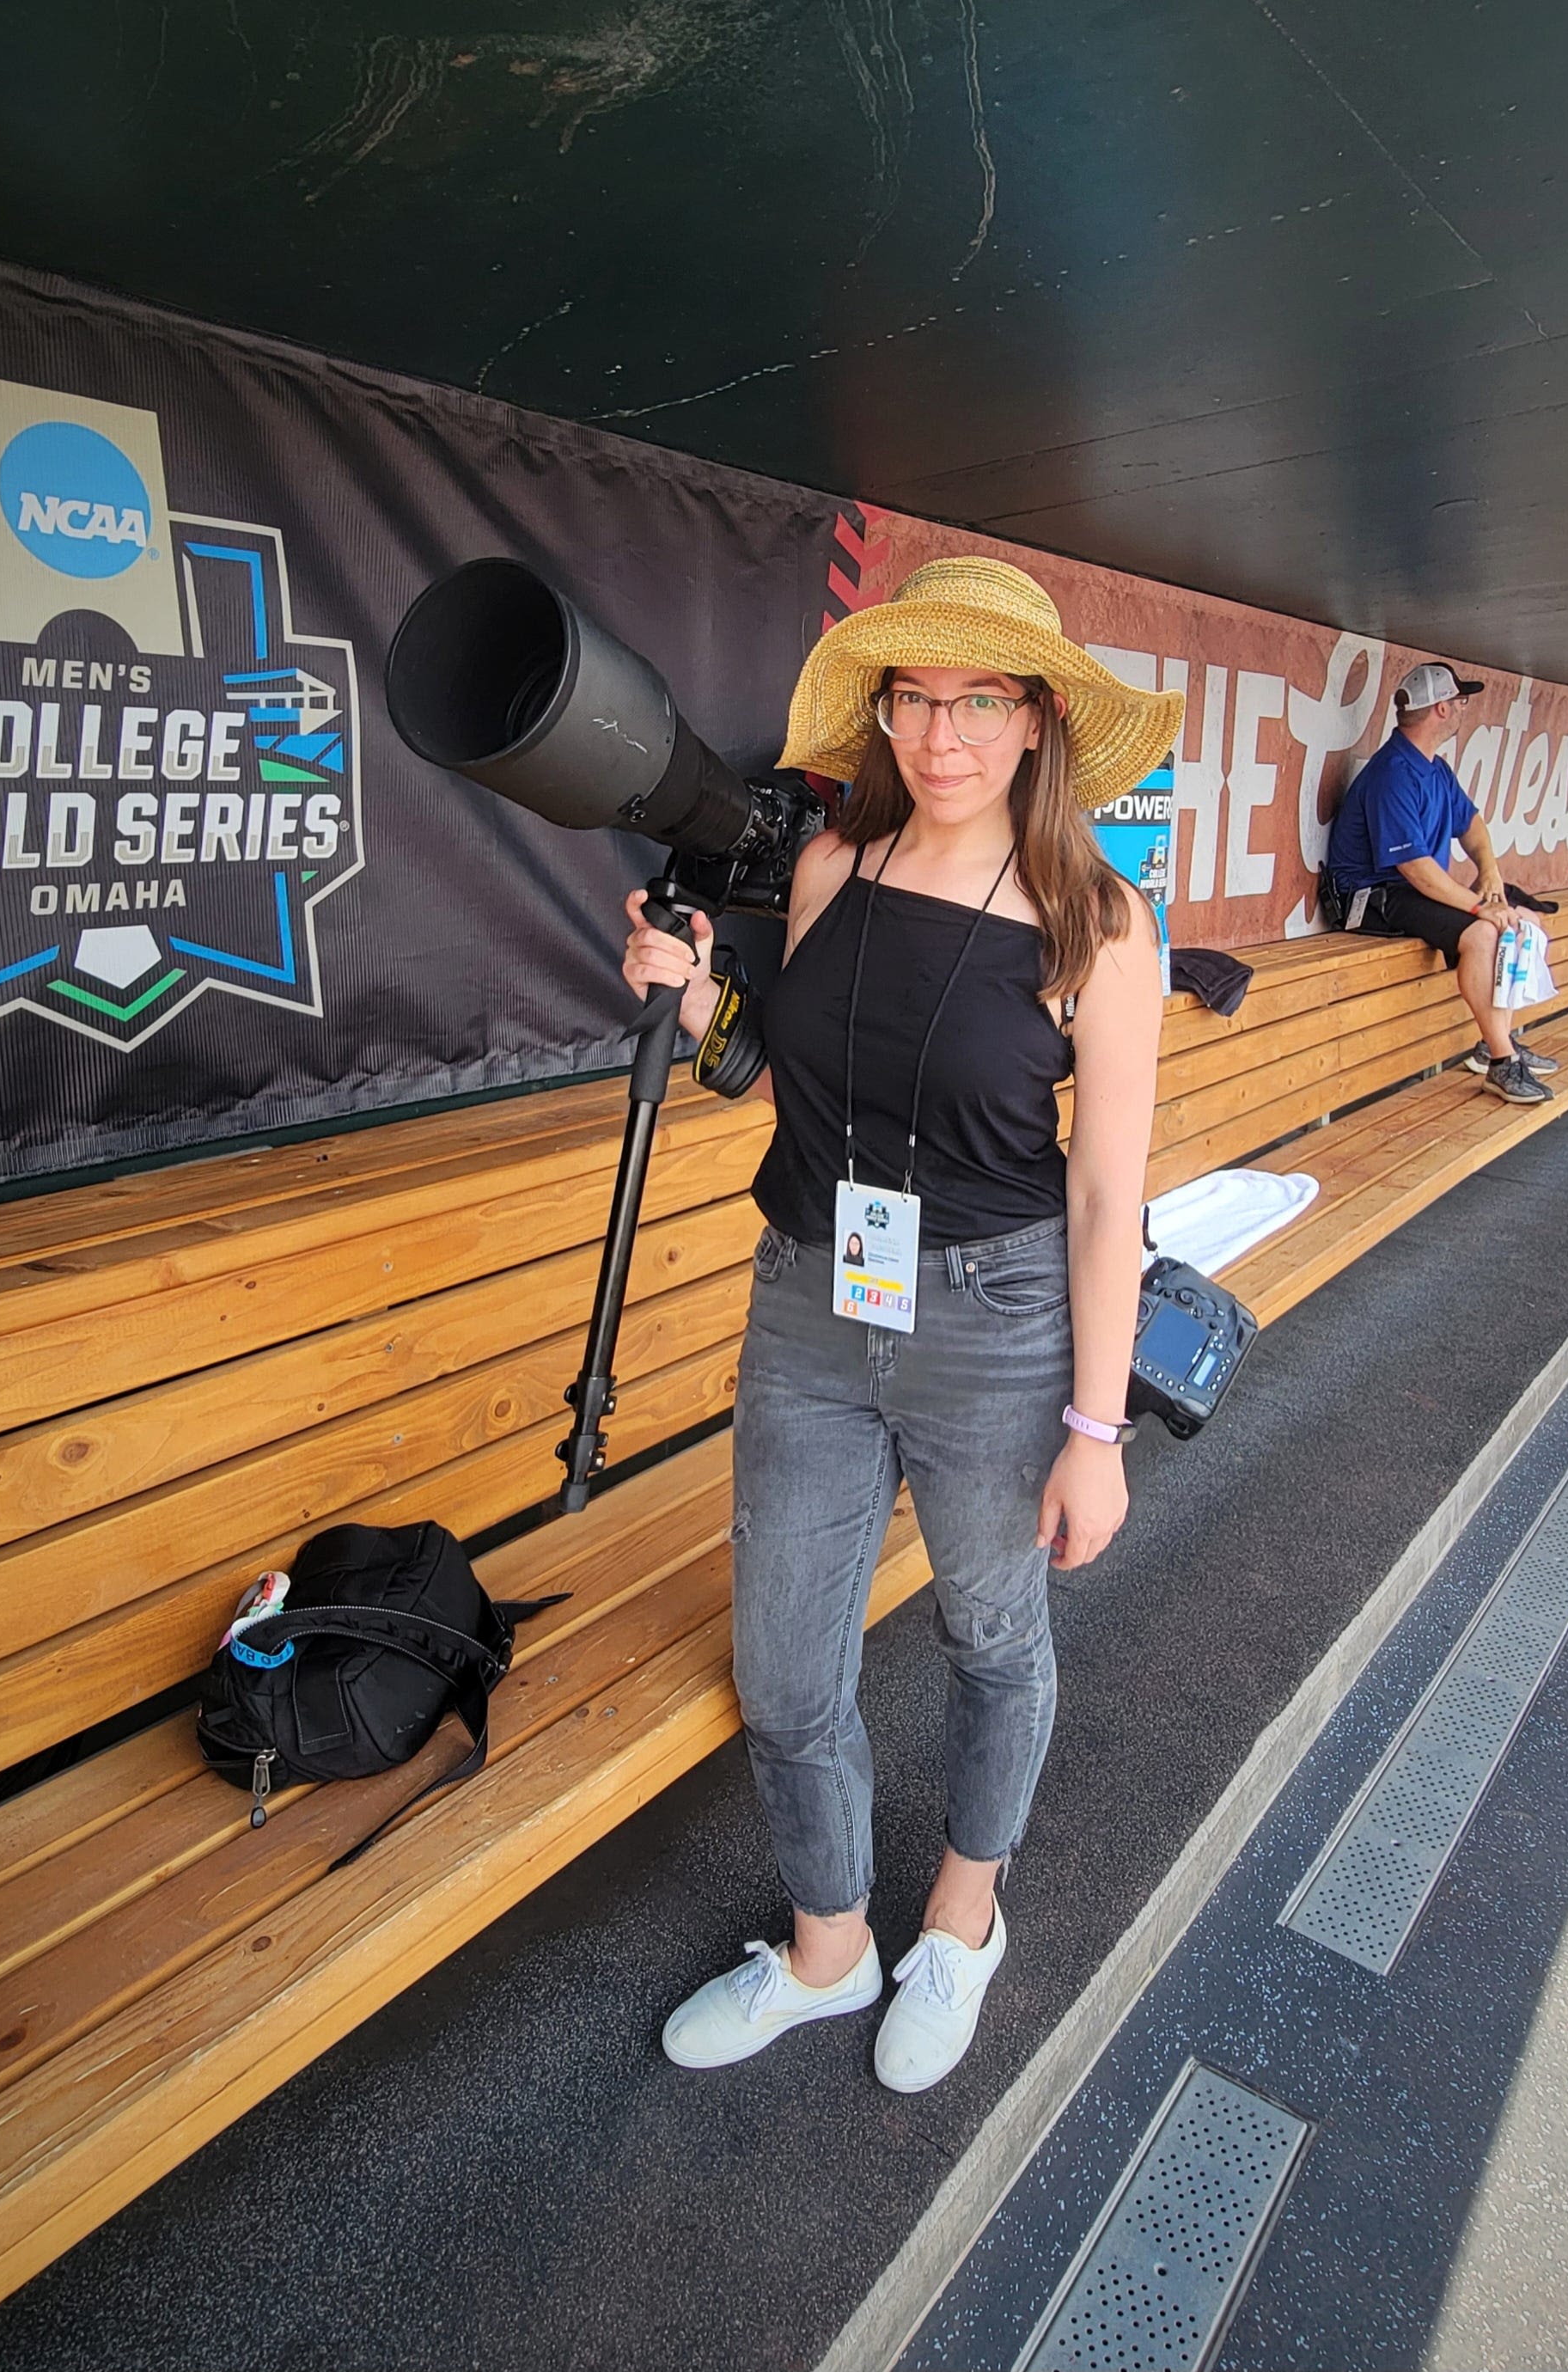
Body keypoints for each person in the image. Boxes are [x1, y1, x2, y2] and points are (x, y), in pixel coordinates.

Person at [620, 557, 1182, 2093]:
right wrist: (701, 1009)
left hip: (999, 1324)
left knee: (993, 1638)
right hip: (807, 1301)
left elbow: (1102, 1203)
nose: (942, 734)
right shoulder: (827, 873)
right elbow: (796, 1093)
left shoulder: (1098, 927)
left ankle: (960, 1922)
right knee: (789, 1673)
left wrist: (1096, 1430)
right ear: (884, 711)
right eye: (917, 699)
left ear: (1036, 720)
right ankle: (827, 1947)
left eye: (980, 701)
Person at [1325, 662, 1560, 1105]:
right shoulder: (1393, 771)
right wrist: (1478, 907)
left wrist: (1489, 871)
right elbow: (1414, 868)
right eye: (1458, 702)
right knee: (1485, 931)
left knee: (1519, 919)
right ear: (1439, 710)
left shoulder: (1434, 769)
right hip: (1367, 897)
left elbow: (1471, 824)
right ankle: (1501, 1061)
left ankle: (1497, 1042)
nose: (1461, 709)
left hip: (1407, 891)